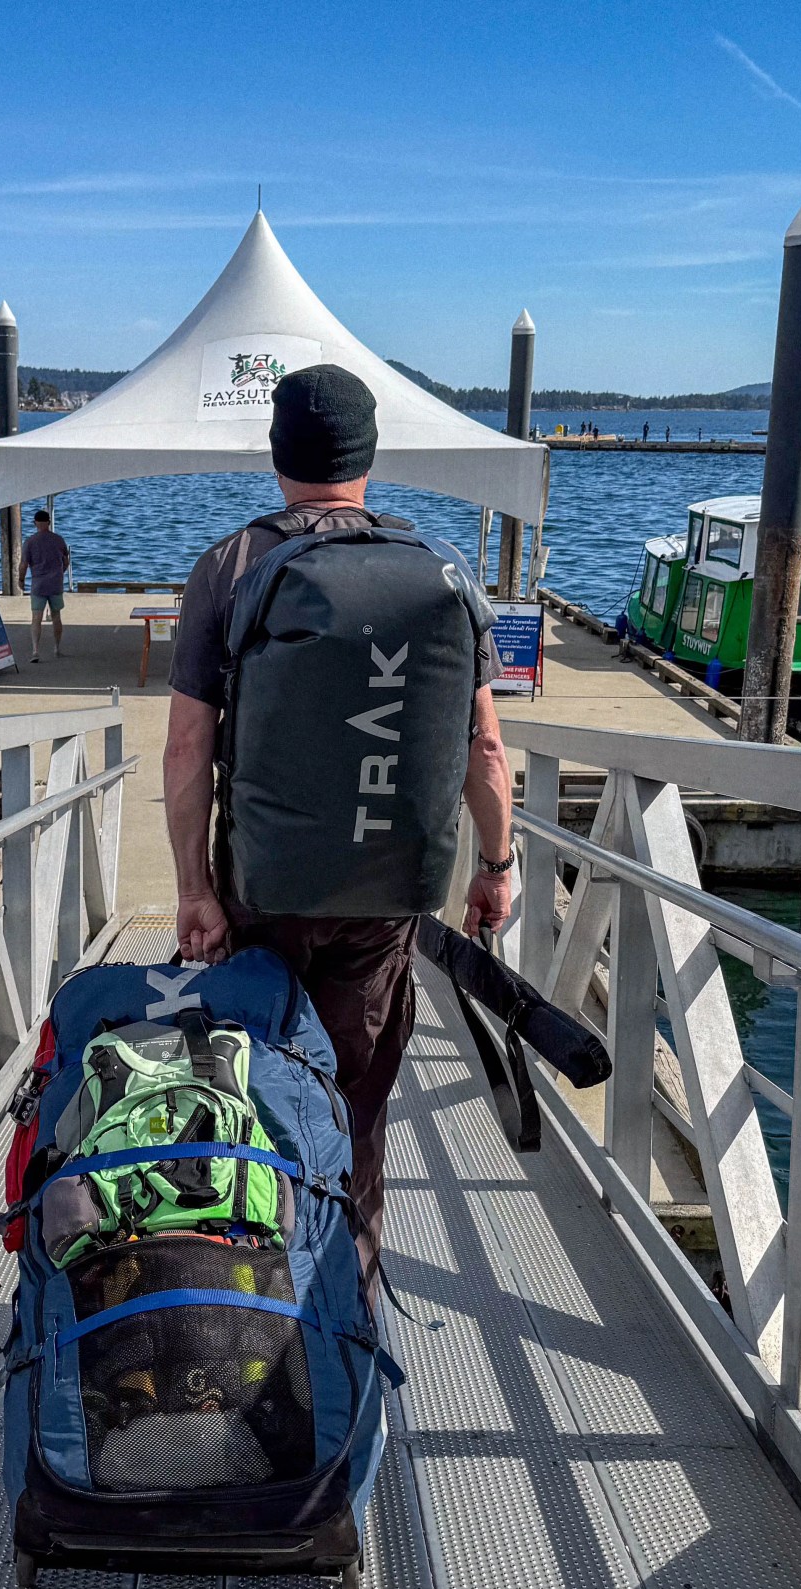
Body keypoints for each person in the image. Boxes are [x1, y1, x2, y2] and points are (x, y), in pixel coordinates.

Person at [163, 364, 514, 1293]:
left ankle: (241, 1294)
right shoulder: (436, 570)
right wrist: (497, 864)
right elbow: (484, 749)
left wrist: (197, 890)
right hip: (384, 895)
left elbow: (187, 748)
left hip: (262, 890)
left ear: (278, 455)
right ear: (369, 454)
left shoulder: (231, 565)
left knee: (248, 1088)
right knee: (356, 1106)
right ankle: (342, 1309)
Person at [22, 508, 70, 660]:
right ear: (49, 522)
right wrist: (60, 573)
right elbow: (66, 560)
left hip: (38, 584)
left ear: (35, 523)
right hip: (56, 583)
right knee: (56, 616)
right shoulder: (58, 539)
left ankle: (35, 650)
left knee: (36, 617)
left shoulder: (30, 542)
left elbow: (23, 564)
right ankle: (57, 647)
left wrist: (21, 580)